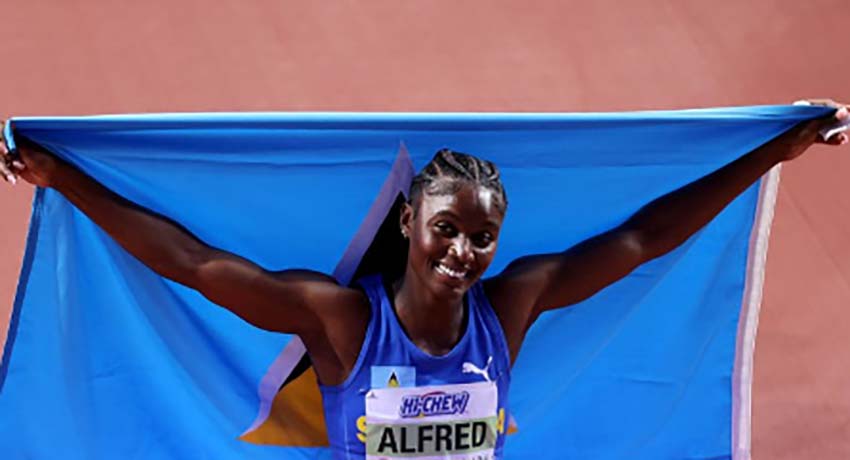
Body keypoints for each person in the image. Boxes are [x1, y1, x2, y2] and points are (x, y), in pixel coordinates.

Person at [1, 102, 847, 459]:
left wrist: (776, 151)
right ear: (408, 221)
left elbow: (643, 237)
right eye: (446, 229)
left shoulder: (511, 305)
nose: (463, 253)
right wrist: (64, 179)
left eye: (482, 236)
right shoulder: (338, 322)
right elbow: (192, 265)